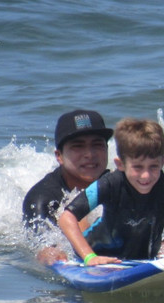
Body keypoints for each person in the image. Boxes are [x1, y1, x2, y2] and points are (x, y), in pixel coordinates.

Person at [57, 118, 164, 265]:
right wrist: (89, 257)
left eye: (153, 166)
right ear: (120, 164)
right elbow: (66, 218)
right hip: (97, 256)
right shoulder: (110, 184)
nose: (146, 175)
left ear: (163, 162)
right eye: (137, 167)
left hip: (141, 261)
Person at [22, 109, 113, 265]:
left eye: (97, 145)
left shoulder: (121, 184)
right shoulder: (41, 199)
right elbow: (41, 245)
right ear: (59, 156)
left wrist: (162, 243)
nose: (89, 154)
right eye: (78, 146)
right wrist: (52, 255)